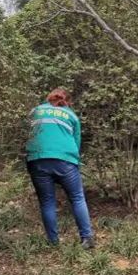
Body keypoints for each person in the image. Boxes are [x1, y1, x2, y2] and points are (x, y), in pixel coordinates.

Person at [25, 88, 95, 249]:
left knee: (47, 202)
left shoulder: (35, 111)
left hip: (38, 159)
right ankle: (87, 238)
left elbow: (27, 133)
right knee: (77, 198)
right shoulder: (71, 115)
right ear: (67, 101)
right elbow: (76, 141)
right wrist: (73, 160)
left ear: (47, 99)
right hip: (66, 161)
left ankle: (53, 241)